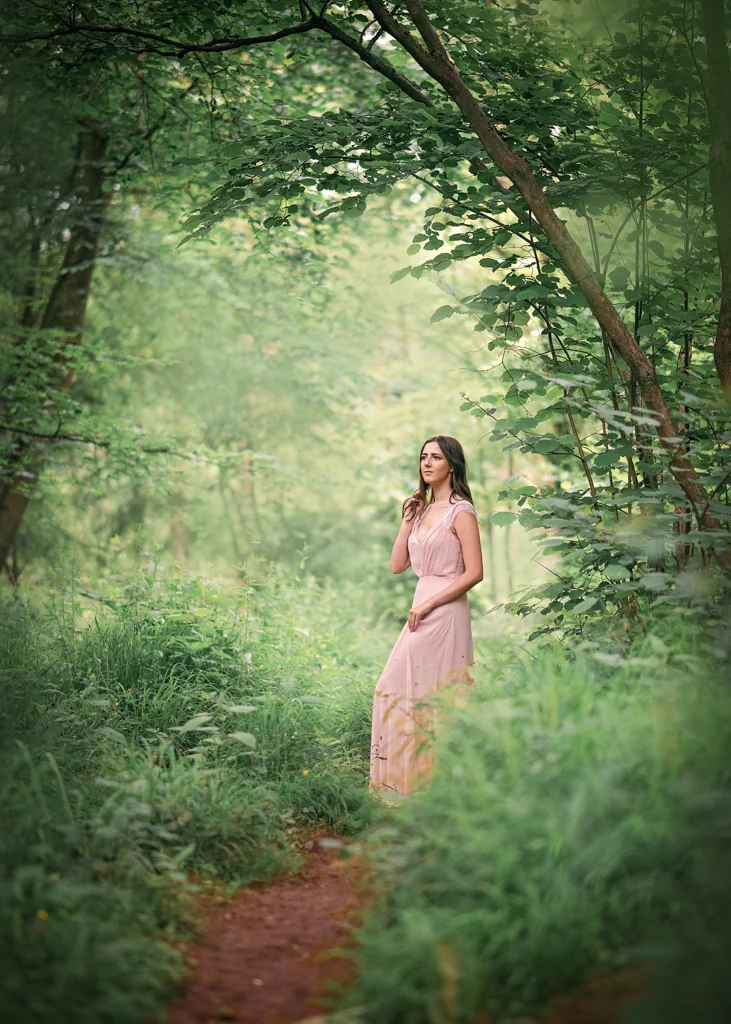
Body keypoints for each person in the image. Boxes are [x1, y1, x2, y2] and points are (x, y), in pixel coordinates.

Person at [370, 435, 483, 798]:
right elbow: (397, 565)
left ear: (452, 463)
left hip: (445, 609)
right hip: (421, 604)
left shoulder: (460, 510)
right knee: (396, 689)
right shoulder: (421, 511)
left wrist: (430, 604)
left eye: (436, 457)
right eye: (423, 457)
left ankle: (441, 790)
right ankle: (403, 786)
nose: (427, 463)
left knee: (439, 697)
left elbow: (475, 573)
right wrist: (407, 519)